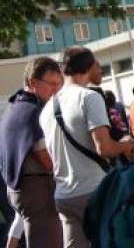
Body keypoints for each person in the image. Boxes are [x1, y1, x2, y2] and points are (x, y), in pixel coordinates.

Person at [39, 47, 134, 248]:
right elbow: (104, 148)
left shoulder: (47, 107)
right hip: (93, 190)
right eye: (97, 65)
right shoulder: (89, 97)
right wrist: (126, 145)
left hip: (64, 196)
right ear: (89, 67)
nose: (100, 69)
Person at [0, 57, 63, 248]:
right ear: (32, 83)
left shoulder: (15, 105)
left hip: (19, 188)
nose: (56, 90)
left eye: (58, 84)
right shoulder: (34, 110)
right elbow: (45, 159)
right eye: (51, 84)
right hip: (36, 187)